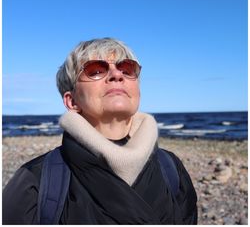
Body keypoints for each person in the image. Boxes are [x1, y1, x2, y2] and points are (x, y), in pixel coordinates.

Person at [3, 38, 197, 224]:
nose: (117, 75)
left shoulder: (171, 168)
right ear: (72, 101)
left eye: (127, 69)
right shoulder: (36, 180)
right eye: (95, 70)